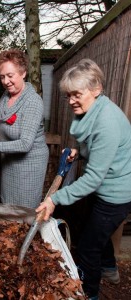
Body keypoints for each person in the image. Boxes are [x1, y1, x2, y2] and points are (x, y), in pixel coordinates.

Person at [36, 58, 131, 300]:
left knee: (88, 247)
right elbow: (101, 152)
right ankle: (110, 270)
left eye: (76, 94)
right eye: (68, 95)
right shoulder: (95, 111)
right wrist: (81, 153)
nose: (70, 101)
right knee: (95, 229)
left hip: (116, 195)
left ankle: (89, 294)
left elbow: (93, 179)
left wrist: (55, 199)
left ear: (96, 89)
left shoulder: (106, 122)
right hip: (106, 189)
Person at [0, 49, 49, 208]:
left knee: (24, 210)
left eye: (10, 76)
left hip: (29, 166)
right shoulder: (6, 97)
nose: (6, 81)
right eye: (2, 77)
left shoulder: (33, 102)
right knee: (8, 206)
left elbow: (25, 144)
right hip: (9, 162)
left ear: (23, 73)